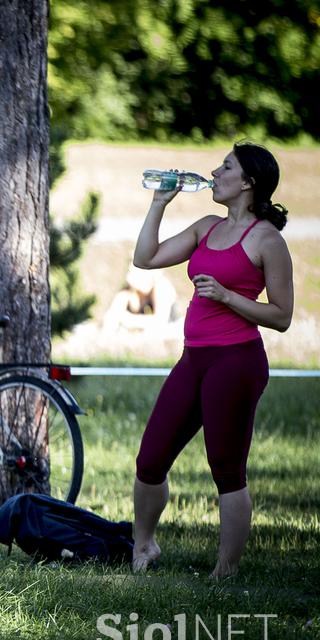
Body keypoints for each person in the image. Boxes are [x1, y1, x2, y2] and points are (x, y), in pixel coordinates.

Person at [129, 143, 293, 578]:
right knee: (150, 460)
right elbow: (144, 258)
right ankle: (143, 545)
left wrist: (227, 296)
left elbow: (282, 316)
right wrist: (158, 203)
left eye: (226, 167)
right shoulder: (206, 227)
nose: (214, 173)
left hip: (236, 362)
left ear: (248, 183)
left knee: (226, 467)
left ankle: (226, 570)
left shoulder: (267, 240)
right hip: (193, 359)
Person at [103, 264, 180, 333]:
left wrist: (128, 319)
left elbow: (160, 322)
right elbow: (109, 322)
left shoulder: (161, 286)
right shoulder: (129, 294)